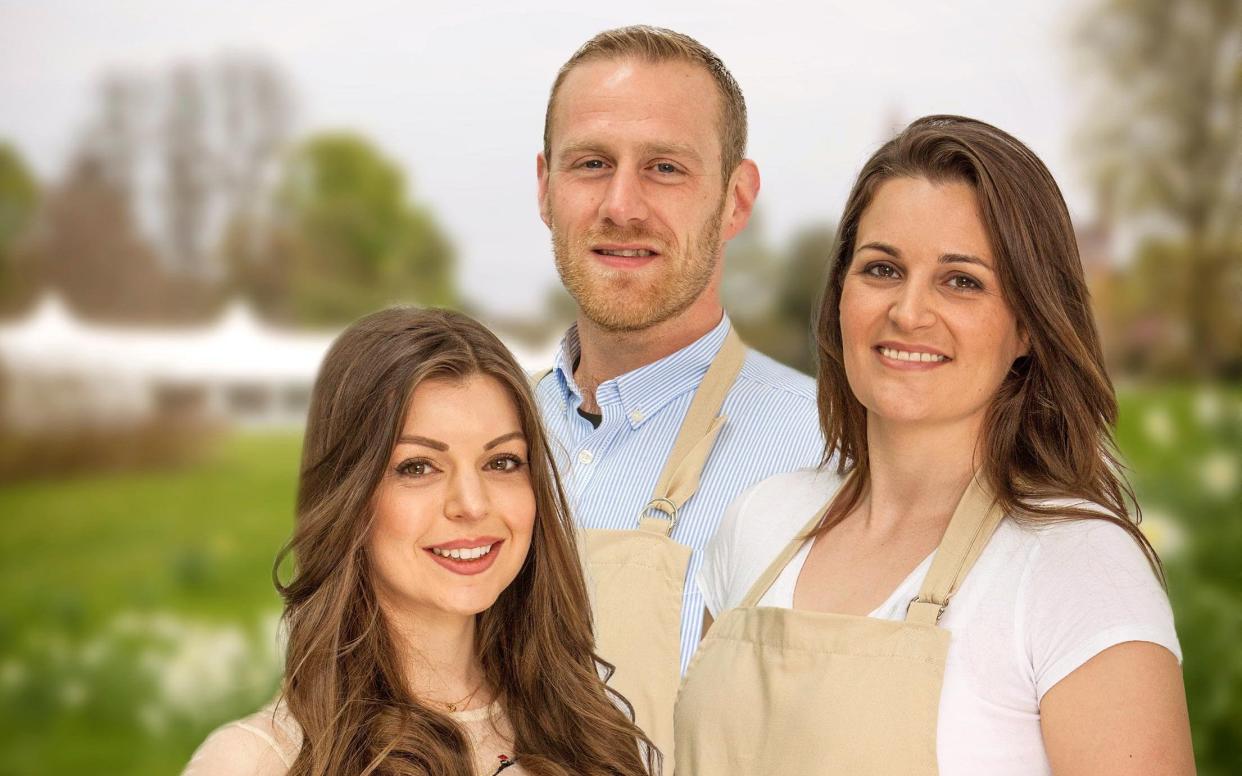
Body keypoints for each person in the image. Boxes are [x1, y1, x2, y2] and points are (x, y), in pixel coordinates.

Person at [678, 116, 1195, 775]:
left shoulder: (1077, 566)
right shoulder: (758, 520)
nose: (909, 311)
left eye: (961, 281)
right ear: (840, 295)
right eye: (883, 269)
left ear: (1029, 326)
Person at [184, 307, 657, 776]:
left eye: (502, 462)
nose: (472, 505)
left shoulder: (593, 732)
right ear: (348, 493)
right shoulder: (257, 761)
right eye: (418, 467)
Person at [532, 25, 823, 757]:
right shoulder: (480, 440)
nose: (622, 204)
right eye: (591, 163)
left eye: (664, 168)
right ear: (545, 187)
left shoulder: (828, 457)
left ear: (735, 200)